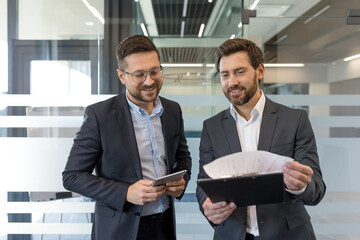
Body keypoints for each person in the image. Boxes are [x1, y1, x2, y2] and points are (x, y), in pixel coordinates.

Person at [63, 35, 192, 240]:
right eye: (139, 74)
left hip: (164, 225)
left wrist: (181, 179)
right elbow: (72, 177)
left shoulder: (172, 110)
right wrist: (125, 192)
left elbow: (182, 156)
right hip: (120, 228)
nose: (149, 81)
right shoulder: (100, 115)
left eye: (154, 71)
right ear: (122, 76)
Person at [196, 38, 326, 240]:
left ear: (260, 71)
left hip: (288, 235)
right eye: (225, 75)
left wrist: (300, 185)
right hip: (232, 234)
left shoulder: (295, 120)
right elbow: (204, 182)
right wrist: (208, 205)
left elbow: (316, 187)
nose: (232, 82)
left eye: (240, 72)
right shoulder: (211, 127)